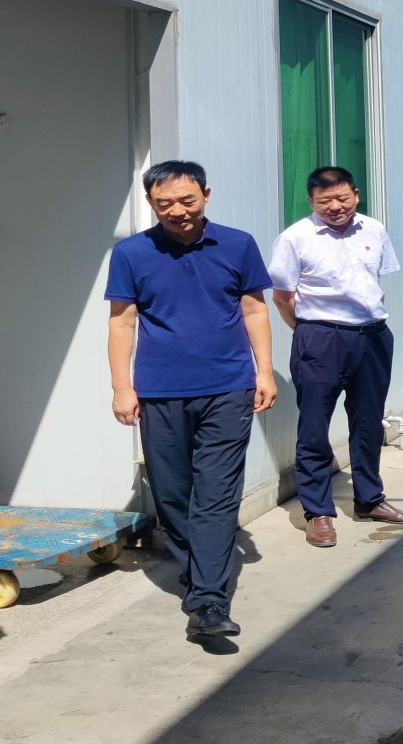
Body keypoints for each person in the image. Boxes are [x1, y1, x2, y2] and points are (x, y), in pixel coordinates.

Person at [106, 160, 276, 638]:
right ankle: (197, 571)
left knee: (216, 493)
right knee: (173, 494)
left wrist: (264, 371)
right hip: (159, 392)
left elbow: (254, 310)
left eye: (188, 200)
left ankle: (208, 599)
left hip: (228, 387)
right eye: (165, 204)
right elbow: (122, 321)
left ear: (206, 194)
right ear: (150, 203)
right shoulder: (131, 253)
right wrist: (122, 386)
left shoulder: (238, 244)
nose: (178, 211)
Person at [270, 167, 403, 549]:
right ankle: (318, 512)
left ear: (355, 194)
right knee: (314, 427)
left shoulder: (374, 230)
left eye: (342, 198)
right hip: (320, 339)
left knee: (369, 422)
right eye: (325, 201)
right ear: (311, 201)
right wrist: (310, 331)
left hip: (373, 336)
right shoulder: (294, 238)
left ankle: (370, 499)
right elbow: (282, 297)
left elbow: (371, 282)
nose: (335, 207)